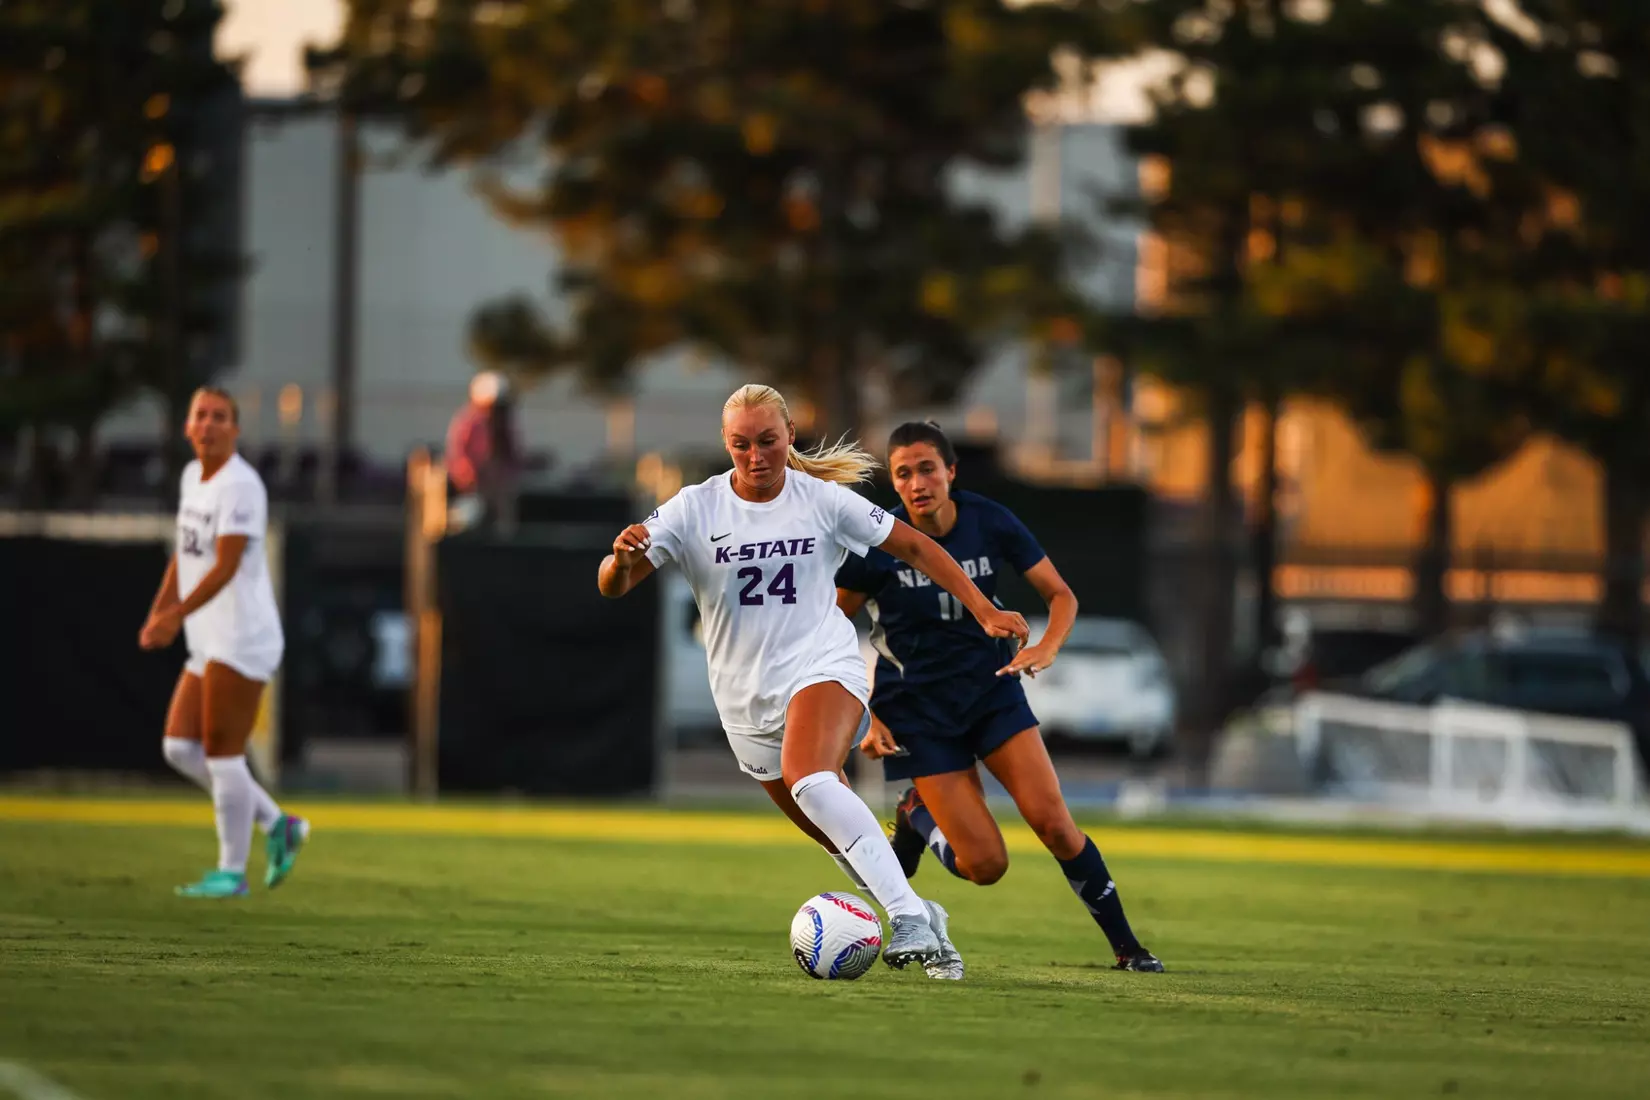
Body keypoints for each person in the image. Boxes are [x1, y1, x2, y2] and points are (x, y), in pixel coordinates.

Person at [598, 385, 1030, 979]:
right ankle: (930, 919)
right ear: (726, 444)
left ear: (789, 436)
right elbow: (613, 584)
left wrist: (983, 610)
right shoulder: (694, 507)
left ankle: (904, 917)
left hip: (822, 667)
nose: (755, 456)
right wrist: (621, 560)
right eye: (741, 444)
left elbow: (914, 546)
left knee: (812, 777)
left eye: (768, 441)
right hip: (744, 704)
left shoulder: (823, 500)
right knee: (835, 836)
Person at [834, 421, 1163, 973]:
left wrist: (1047, 646)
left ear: (951, 472)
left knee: (1056, 825)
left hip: (993, 695)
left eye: (927, 469)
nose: (917, 483)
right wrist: (867, 713)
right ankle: (917, 814)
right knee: (986, 865)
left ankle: (1128, 949)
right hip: (918, 715)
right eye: (903, 474)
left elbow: (1061, 595)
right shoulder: (878, 542)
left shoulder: (988, 520)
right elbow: (831, 630)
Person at [140, 386, 309, 899]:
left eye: (219, 417)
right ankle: (278, 824)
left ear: (235, 429)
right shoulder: (193, 476)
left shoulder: (242, 486)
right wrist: (159, 611)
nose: (208, 424)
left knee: (222, 754)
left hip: (242, 635)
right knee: (178, 747)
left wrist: (177, 614)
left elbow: (226, 564)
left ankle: (231, 873)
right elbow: (186, 555)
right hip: (208, 635)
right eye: (200, 415)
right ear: (187, 426)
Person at [446, 370, 521, 533]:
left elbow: (512, 453)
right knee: (471, 514)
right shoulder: (468, 421)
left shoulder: (504, 425)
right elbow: (458, 452)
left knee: (504, 514)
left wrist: (509, 474)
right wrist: (468, 474)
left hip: (498, 483)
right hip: (472, 485)